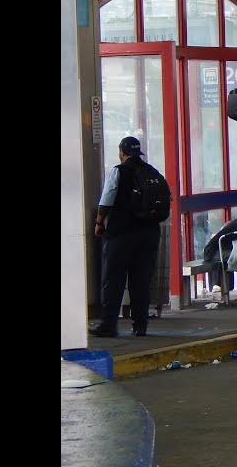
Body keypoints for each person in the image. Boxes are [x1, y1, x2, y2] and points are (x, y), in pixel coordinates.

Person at [89, 136, 162, 338]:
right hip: (149, 234)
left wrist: (98, 223)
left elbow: (107, 200)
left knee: (113, 280)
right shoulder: (151, 172)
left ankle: (108, 325)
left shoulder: (118, 172)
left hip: (121, 235)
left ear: (121, 152)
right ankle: (140, 326)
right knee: (140, 281)